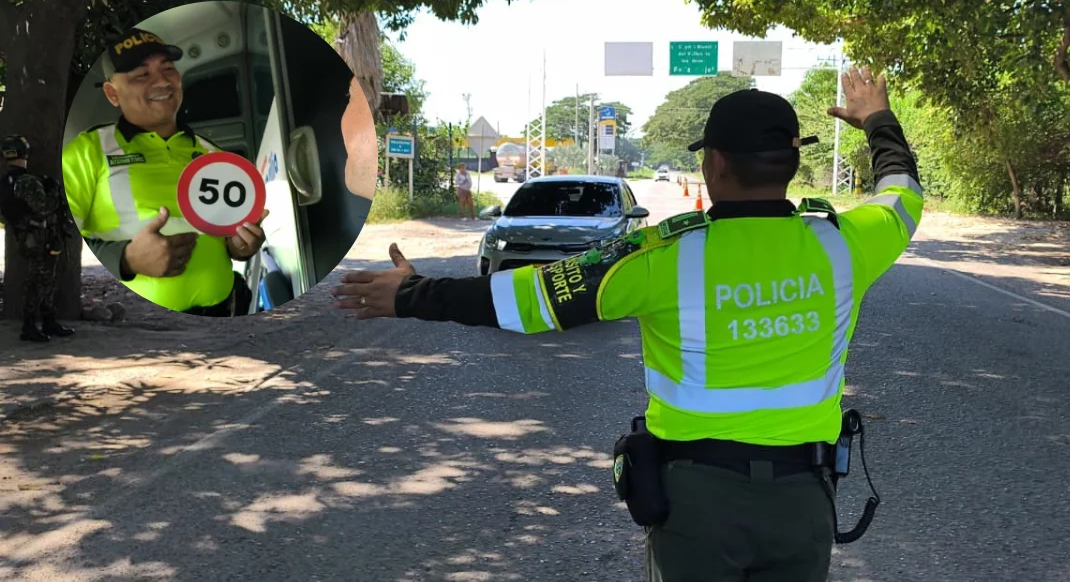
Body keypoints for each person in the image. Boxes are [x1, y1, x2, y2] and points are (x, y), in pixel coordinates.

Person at [331, 66, 924, 581]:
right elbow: (901, 192)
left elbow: (527, 298)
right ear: (794, 164)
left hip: (698, 505)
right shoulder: (846, 246)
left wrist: (411, 294)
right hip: (804, 502)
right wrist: (877, 119)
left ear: (713, 163)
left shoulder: (658, 257)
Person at [60, 28, 268, 316]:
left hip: (225, 313)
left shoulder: (213, 154)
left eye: (168, 69)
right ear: (112, 93)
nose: (161, 81)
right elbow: (59, 236)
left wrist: (240, 245)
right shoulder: (87, 152)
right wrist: (126, 258)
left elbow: (228, 240)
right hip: (140, 326)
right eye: (141, 75)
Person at [1, 134, 76, 342]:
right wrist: (52, 193)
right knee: (39, 282)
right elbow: (43, 208)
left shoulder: (6, 182)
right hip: (40, 237)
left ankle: (47, 322)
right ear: (24, 153)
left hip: (26, 236)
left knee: (44, 279)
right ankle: (30, 326)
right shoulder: (28, 181)